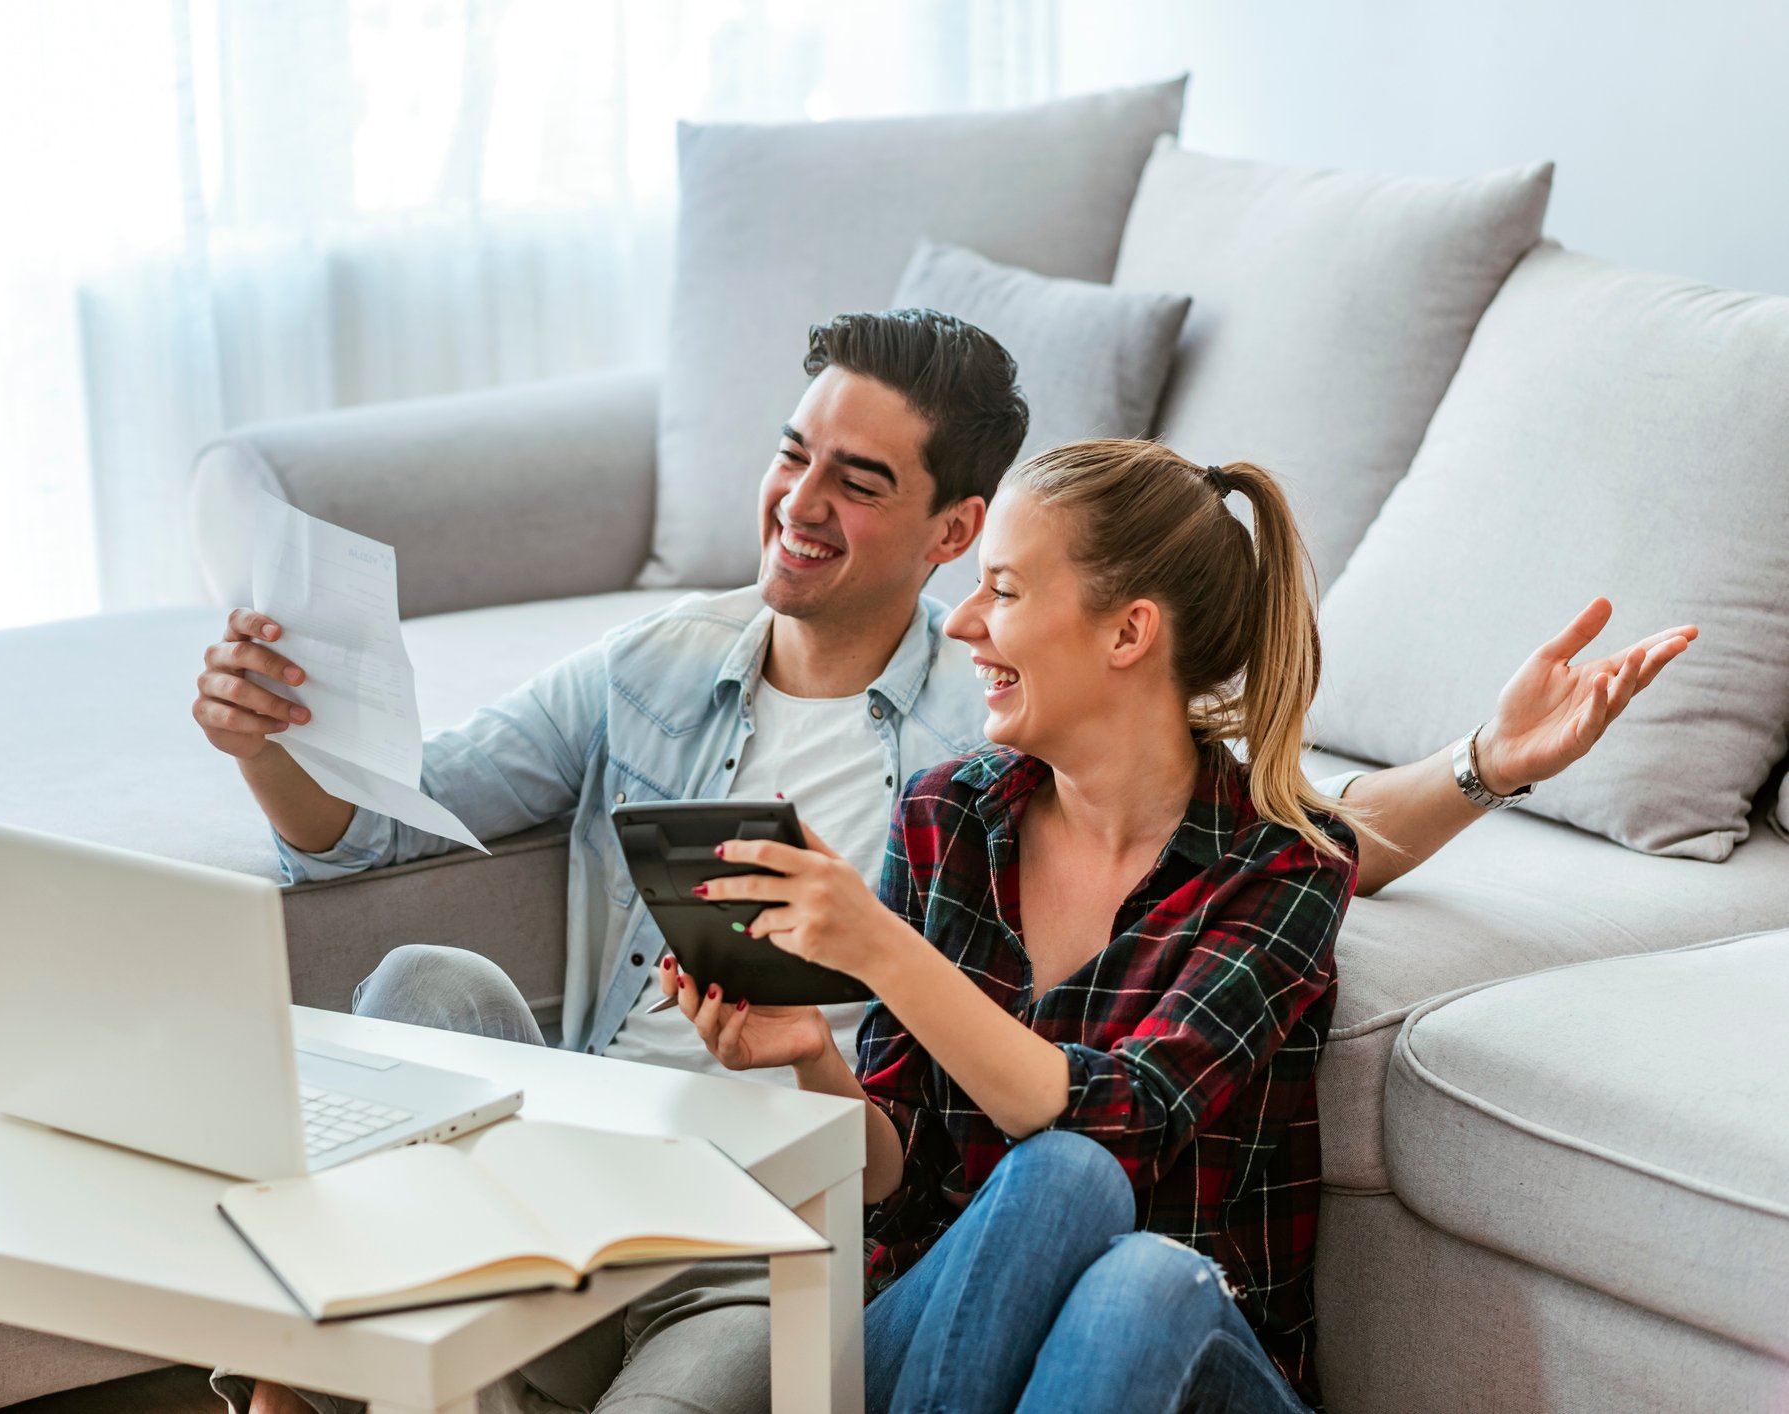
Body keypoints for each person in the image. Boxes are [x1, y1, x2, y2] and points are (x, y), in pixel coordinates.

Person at [191, 312, 1693, 1414]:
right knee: (429, 982)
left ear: (963, 541)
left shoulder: (1097, 792)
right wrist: (807, 1059)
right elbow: (898, 1149)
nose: (799, 504)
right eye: (793, 458)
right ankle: (304, 1372)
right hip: (736, 1204)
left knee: (1106, 1237)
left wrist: (1483, 766)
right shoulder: (944, 801)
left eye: (862, 486)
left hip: (926, 1271)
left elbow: (1244, 913)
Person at [672, 438, 1363, 1410]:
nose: (958, 621)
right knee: (1062, 1180)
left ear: (1127, 633)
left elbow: (1127, 1118)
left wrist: (881, 945)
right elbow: (898, 1188)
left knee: (1135, 1267)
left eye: (1000, 589)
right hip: (940, 1343)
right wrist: (810, 1062)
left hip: (1174, 1359)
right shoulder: (946, 816)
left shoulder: (1281, 862)